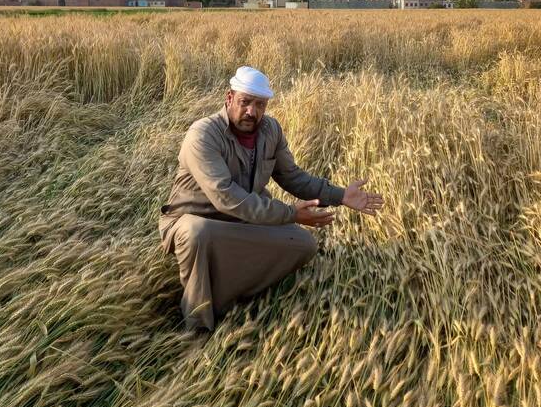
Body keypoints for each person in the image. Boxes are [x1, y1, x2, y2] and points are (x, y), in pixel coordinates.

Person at [159, 65, 383, 331]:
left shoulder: (270, 131)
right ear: (229, 98)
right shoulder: (203, 135)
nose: (252, 112)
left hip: (242, 223)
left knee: (303, 244)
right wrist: (290, 213)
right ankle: (197, 327)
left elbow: (293, 177)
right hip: (193, 222)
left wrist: (340, 195)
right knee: (198, 232)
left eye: (260, 105)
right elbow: (227, 198)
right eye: (245, 102)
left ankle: (223, 294)